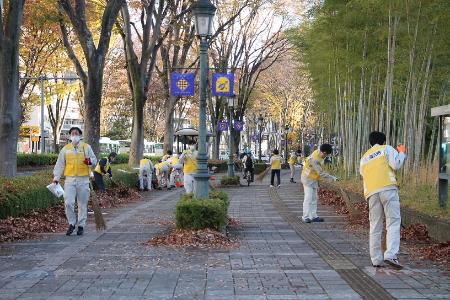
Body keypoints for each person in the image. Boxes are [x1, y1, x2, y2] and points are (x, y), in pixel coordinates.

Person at [360, 131, 406, 269]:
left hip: (371, 192)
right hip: (388, 188)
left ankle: (376, 259)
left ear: (370, 143)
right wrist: (402, 152)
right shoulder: (387, 149)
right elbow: (396, 164)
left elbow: (363, 173)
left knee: (375, 225)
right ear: (384, 141)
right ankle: (390, 255)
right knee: (392, 222)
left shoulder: (364, 157)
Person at [53, 127, 97, 236]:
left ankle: (81, 225)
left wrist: (89, 161)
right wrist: (56, 178)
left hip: (83, 179)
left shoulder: (86, 147)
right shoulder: (65, 149)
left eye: (76, 133)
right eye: (72, 133)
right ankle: (71, 223)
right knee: (68, 202)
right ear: (69, 136)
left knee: (82, 204)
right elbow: (60, 164)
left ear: (80, 135)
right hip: (70, 180)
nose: (74, 135)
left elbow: (94, 160)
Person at [301, 144, 337, 223]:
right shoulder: (315, 159)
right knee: (308, 198)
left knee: (314, 198)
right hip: (307, 179)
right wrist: (332, 178)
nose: (326, 156)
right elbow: (321, 172)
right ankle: (305, 217)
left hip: (314, 179)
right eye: (326, 154)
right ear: (323, 152)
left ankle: (313, 216)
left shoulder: (317, 152)